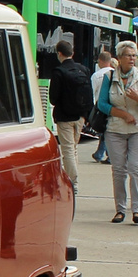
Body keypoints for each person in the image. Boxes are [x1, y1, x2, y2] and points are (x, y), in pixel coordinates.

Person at [99, 40, 138, 224]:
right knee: (119, 170)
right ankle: (120, 209)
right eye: (128, 55)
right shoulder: (109, 77)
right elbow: (102, 104)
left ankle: (137, 210)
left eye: (134, 55)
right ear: (119, 58)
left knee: (136, 168)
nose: (132, 58)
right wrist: (122, 114)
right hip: (116, 129)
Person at [48, 38, 92, 189]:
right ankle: (73, 177)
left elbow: (53, 98)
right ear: (72, 53)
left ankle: (72, 182)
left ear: (59, 54)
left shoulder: (58, 72)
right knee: (73, 148)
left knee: (67, 149)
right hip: (80, 116)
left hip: (64, 116)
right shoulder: (84, 69)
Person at [90, 47, 114, 164]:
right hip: (113, 106)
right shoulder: (115, 73)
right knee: (107, 131)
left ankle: (105, 154)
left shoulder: (96, 75)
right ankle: (100, 153)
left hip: (100, 107)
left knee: (104, 131)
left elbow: (92, 93)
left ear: (100, 61)